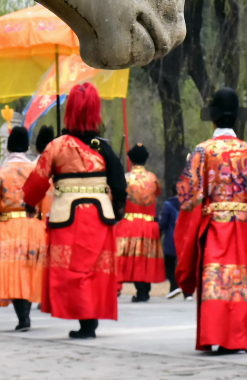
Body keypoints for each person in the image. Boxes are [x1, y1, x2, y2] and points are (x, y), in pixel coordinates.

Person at [23, 83, 127, 339]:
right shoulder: (104, 148)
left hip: (66, 217)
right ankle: (90, 320)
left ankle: (82, 319)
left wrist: (29, 203)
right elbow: (119, 184)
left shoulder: (57, 146)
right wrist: (117, 210)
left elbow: (37, 182)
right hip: (100, 216)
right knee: (93, 269)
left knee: (71, 269)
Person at [175, 88, 247, 353]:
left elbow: (187, 197)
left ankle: (212, 334)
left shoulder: (201, 151)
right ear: (237, 119)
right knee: (238, 280)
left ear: (213, 119)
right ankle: (237, 338)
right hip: (241, 226)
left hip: (212, 225)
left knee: (214, 279)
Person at [0, 126, 52, 331]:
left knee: (15, 272)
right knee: (29, 270)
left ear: (8, 147)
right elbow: (47, 202)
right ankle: (25, 312)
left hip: (8, 226)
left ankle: (23, 316)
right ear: (27, 147)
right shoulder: (38, 172)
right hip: (34, 226)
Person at [116, 143, 166, 302]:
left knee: (132, 257)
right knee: (146, 258)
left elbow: (119, 199)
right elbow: (157, 193)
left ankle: (136, 289)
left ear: (130, 160)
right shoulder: (153, 179)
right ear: (146, 160)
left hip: (130, 222)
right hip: (150, 223)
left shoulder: (125, 178)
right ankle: (145, 289)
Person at [157, 186, 184, 298]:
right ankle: (188, 293)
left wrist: (159, 233)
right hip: (186, 238)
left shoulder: (168, 204)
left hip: (171, 238)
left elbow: (163, 223)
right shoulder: (188, 204)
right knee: (184, 264)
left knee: (169, 264)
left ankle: (174, 286)